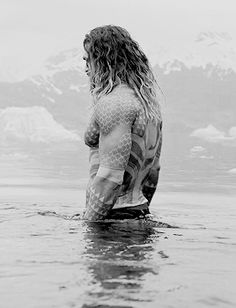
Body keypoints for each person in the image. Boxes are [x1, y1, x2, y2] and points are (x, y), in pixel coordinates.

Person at [82, 25, 162, 221]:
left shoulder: (114, 103)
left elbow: (110, 177)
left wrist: (89, 225)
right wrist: (138, 213)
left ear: (103, 61)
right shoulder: (148, 104)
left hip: (112, 219)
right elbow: (153, 171)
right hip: (136, 212)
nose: (85, 69)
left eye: (88, 61)